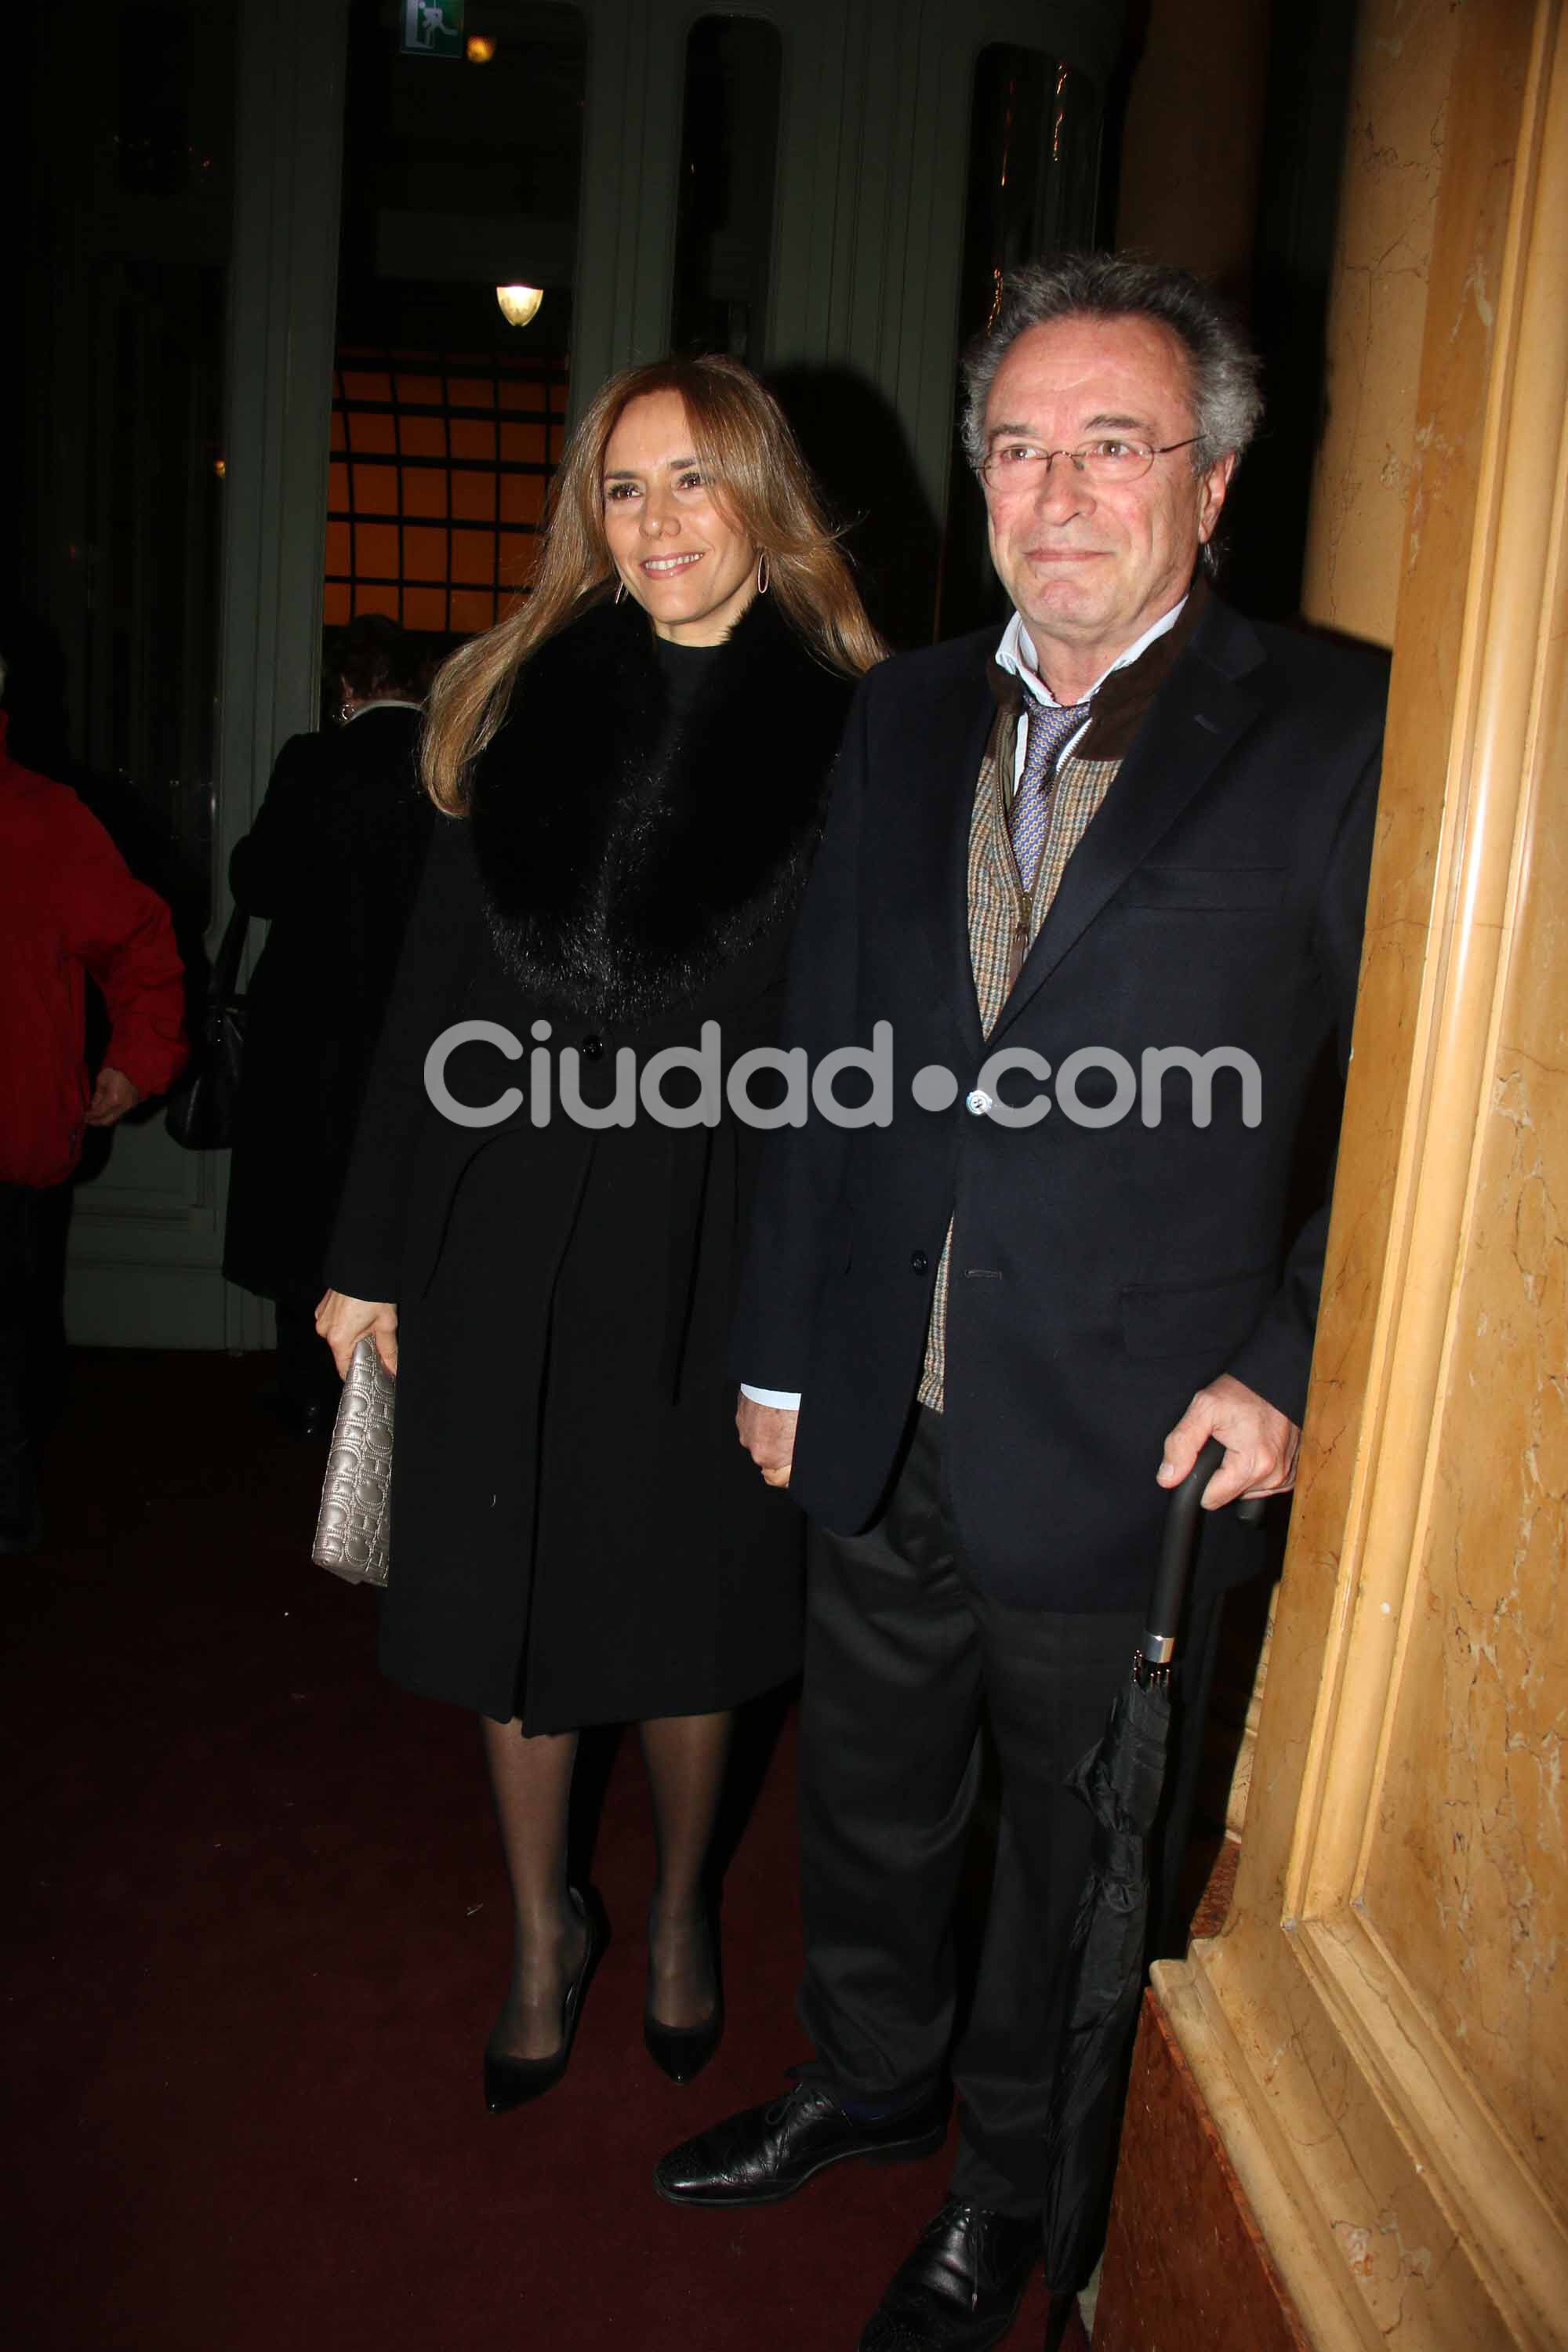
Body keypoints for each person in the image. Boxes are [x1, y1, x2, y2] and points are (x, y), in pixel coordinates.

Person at [657, 256, 1388, 2352]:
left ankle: (1004, 2185)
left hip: (1136, 1437)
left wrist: (1288, 1356)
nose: (1057, 491)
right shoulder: (897, 718)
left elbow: (1424, 1107)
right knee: (875, 1803)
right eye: (1016, 446)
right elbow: (826, 1058)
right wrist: (790, 1356)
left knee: (1073, 1860)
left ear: (1214, 482)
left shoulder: (1341, 729)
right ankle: (868, 2079)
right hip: (885, 1399)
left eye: (1115, 445)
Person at [317, 355, 885, 2109]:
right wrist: (370, 1247)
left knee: (694, 1606)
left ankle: (682, 1912)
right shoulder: (511, 698)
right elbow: (428, 1000)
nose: (656, 523)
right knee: (513, 1594)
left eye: (695, 481)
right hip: (501, 1222)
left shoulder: (861, 726)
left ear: (764, 501)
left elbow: (863, 1038)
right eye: (624, 487)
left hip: (718, 1229)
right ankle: (538, 1931)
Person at [223, 615, 433, 1435]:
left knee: (301, 1206)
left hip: (306, 1031)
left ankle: (310, 1392)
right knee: (398, 1201)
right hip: (417, 1035)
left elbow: (259, 882)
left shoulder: (313, 762)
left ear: (346, 689)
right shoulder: (452, 766)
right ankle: (400, 1395)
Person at [0, 655, 187, 1552]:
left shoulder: (43, 818)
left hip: (13, 1135)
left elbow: (140, 941)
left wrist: (134, 1059)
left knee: (11, 1346)